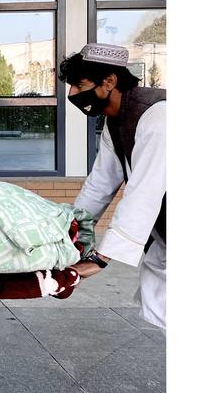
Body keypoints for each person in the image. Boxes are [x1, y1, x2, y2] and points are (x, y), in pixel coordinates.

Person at [59, 43, 166, 330]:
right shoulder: (115, 121)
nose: (72, 94)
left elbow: (144, 192)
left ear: (109, 82)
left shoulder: (158, 116)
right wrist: (70, 232)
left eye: (79, 84)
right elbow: (100, 183)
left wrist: (100, 259)